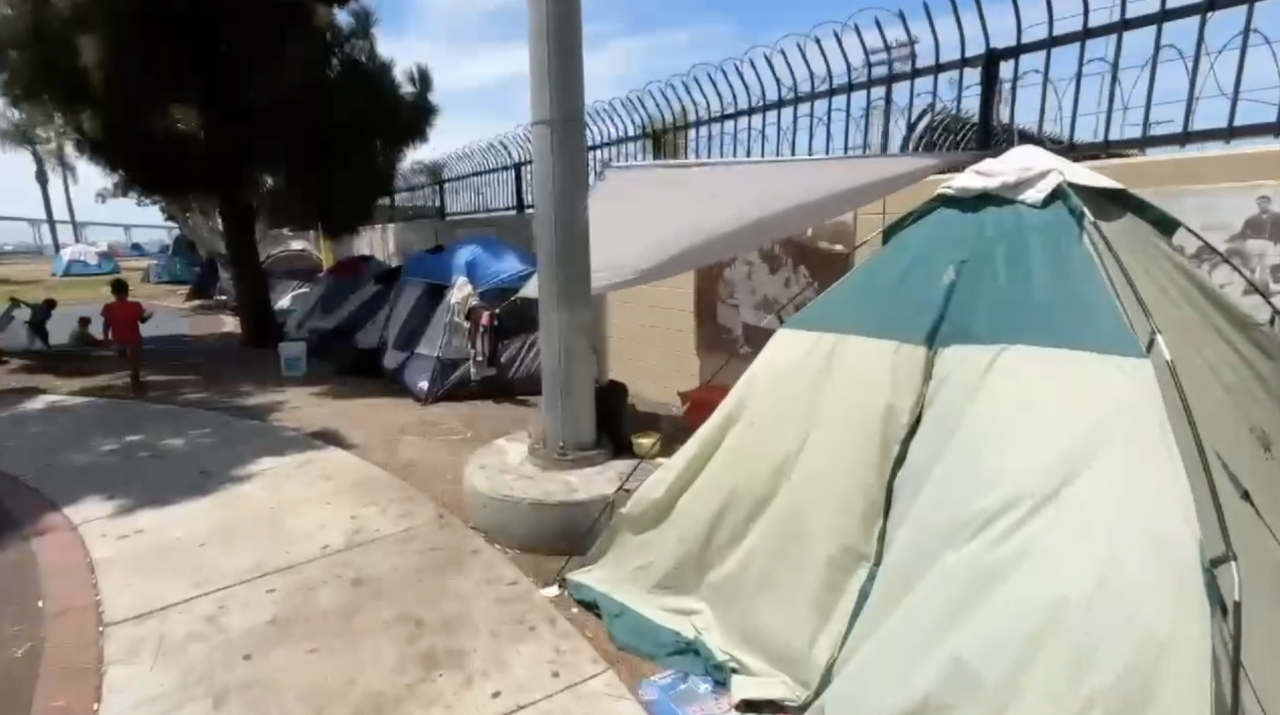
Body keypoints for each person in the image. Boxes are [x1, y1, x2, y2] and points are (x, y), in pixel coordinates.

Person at [101, 278, 152, 393]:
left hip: (118, 337)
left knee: (124, 357)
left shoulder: (109, 307)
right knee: (135, 361)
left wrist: (105, 337)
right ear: (127, 292)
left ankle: (131, 378)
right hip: (134, 336)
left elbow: (106, 324)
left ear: (113, 293)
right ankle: (135, 380)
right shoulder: (136, 305)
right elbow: (142, 320)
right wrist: (149, 315)